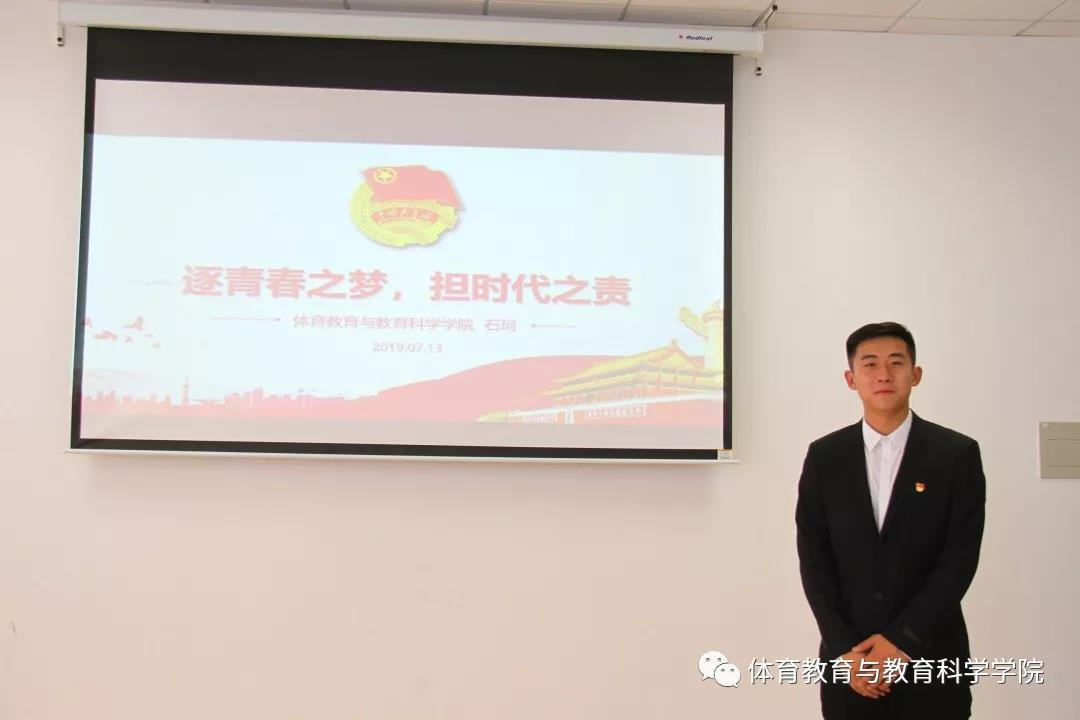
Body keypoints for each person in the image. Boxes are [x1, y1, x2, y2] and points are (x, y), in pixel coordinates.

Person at [796, 322, 986, 719]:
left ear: (915, 374)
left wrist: (901, 642)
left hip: (932, 659)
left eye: (896, 363)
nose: (884, 374)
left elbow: (959, 560)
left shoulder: (956, 455)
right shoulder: (825, 457)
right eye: (870, 364)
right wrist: (846, 651)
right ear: (851, 379)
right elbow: (814, 559)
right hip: (851, 666)